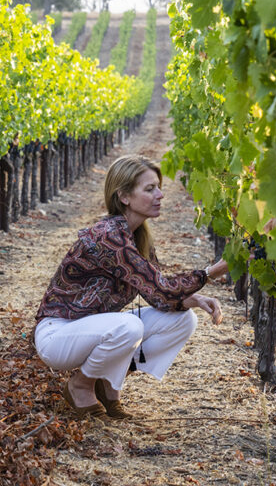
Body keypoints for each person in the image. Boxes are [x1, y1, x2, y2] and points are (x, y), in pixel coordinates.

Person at [33, 154, 229, 418]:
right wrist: (213, 272)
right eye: (150, 189)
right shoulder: (109, 236)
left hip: (95, 327)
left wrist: (191, 299)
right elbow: (160, 288)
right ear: (124, 196)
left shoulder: (138, 237)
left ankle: (108, 379)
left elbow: (157, 293)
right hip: (58, 334)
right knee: (130, 326)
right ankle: (80, 384)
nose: (160, 195)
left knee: (184, 320)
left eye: (158, 187)